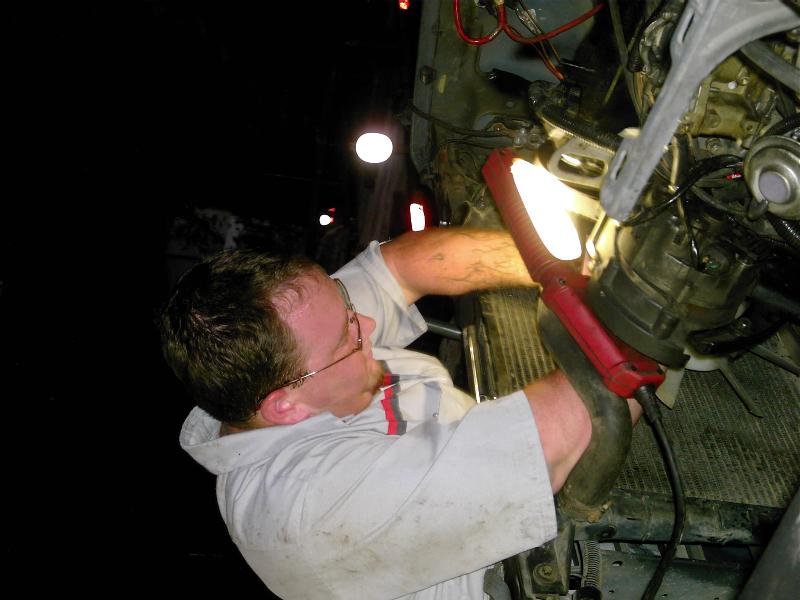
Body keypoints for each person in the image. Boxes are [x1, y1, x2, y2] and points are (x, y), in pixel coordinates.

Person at [160, 226, 619, 599]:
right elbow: (550, 444)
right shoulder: (307, 511)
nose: (368, 324)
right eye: (347, 337)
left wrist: (569, 265)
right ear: (286, 406)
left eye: (345, 304)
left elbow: (404, 267)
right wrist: (634, 313)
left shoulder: (300, 341)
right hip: (547, 563)